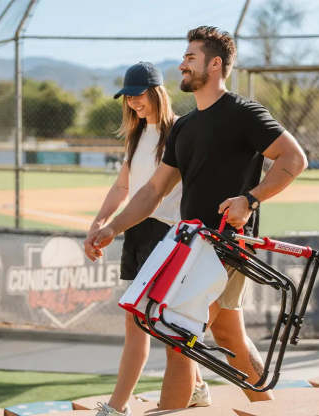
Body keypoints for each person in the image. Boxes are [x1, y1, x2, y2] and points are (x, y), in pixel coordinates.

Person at [89, 26, 307, 410]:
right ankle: (270, 408)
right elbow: (153, 191)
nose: (182, 65)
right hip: (194, 247)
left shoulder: (243, 113)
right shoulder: (185, 127)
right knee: (229, 336)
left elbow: (294, 158)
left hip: (227, 247)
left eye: (191, 58)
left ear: (215, 64)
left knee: (179, 337)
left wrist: (250, 200)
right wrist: (112, 227)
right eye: (184, 57)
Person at [83, 62, 210, 416]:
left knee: (141, 321)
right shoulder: (137, 135)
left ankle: (117, 406)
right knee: (157, 320)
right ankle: (198, 388)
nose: (134, 102)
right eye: (128, 97)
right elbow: (122, 186)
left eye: (139, 95)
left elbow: (167, 191)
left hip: (168, 234)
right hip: (137, 232)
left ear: (157, 92)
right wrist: (99, 221)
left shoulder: (179, 131)